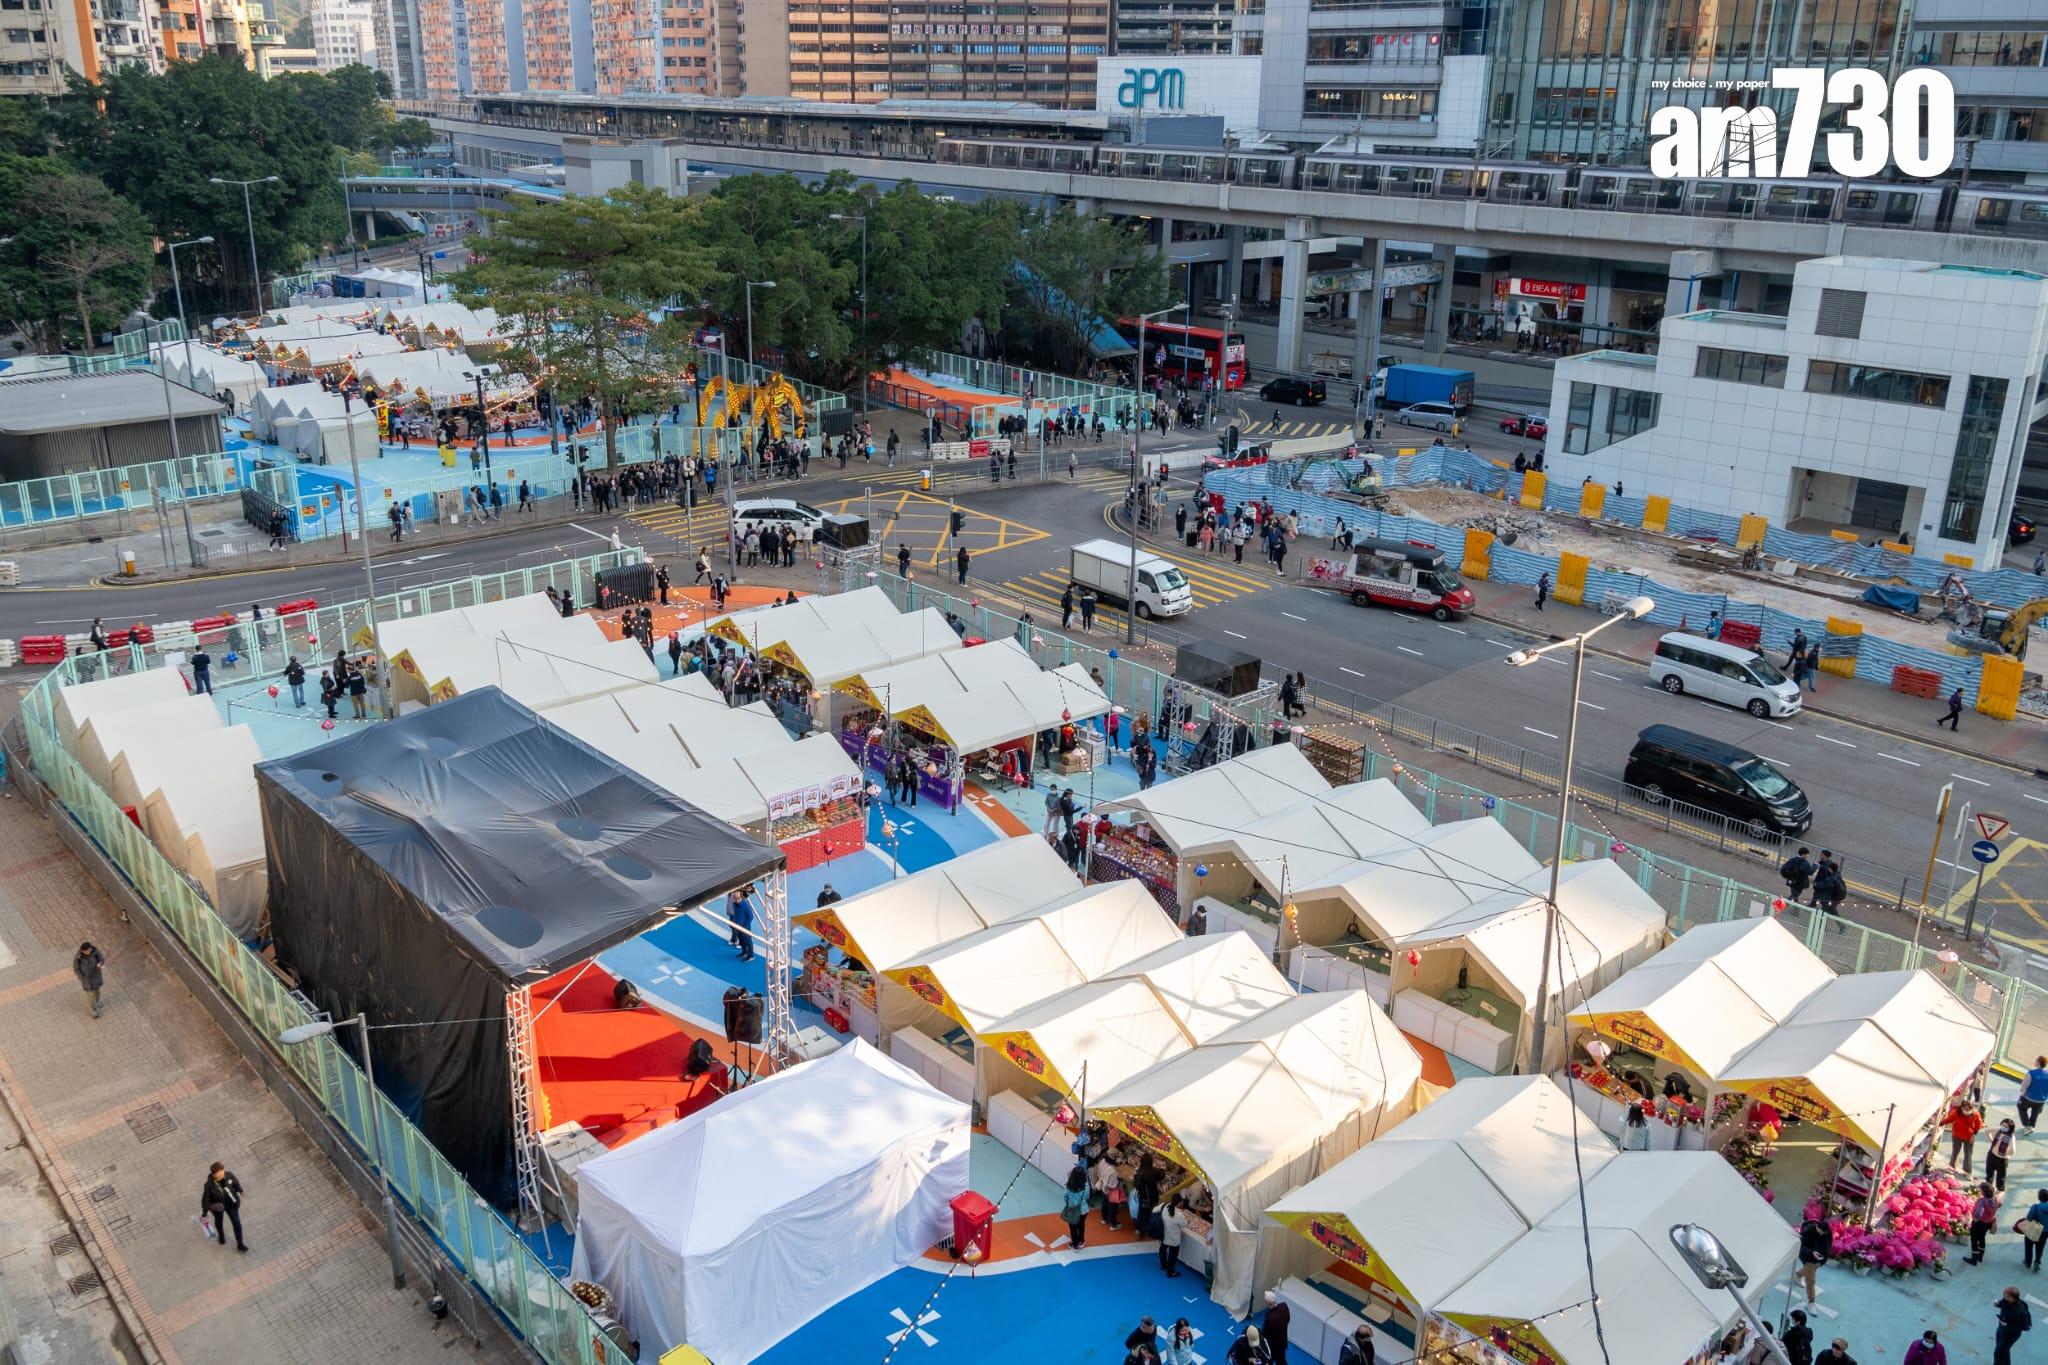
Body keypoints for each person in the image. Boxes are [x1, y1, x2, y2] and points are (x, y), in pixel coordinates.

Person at [201, 1162, 248, 1251]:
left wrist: (241, 1191)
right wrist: (204, 1213)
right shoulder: (208, 1185)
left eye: (222, 1172)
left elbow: (236, 1184)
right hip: (217, 1206)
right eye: (219, 1174)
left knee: (237, 1223)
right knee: (219, 1221)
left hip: (231, 1204)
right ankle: (221, 1236)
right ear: (214, 1174)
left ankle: (240, 1244)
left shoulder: (229, 1175)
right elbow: (206, 1199)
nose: (222, 1175)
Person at [1795, 1210, 1831, 1304]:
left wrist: (1822, 1261)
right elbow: (1800, 1246)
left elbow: (1828, 1247)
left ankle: (1798, 1275)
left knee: (1812, 1268)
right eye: (1820, 1232)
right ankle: (1811, 1302)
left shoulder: (1827, 1233)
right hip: (1806, 1254)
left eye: (1823, 1233)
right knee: (1811, 1280)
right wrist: (1811, 1253)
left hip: (1818, 1256)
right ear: (1816, 1227)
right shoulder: (1808, 1230)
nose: (1821, 1234)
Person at [1994, 1285, 2032, 1365]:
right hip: (2001, 1330)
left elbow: (2025, 1327)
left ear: (2012, 1298)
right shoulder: (2006, 1300)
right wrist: (1997, 1304)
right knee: (2004, 1351)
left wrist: (2007, 1325)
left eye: (2006, 1295)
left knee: (1998, 1353)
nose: (2003, 1297)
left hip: (2011, 1335)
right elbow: (2002, 1304)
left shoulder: (2020, 1311)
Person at [1950, 1099, 1986, 1175]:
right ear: (1962, 1108)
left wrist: (1974, 1134)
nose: (1967, 1110)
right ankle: (1952, 1167)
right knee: (1955, 1151)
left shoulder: (1976, 1114)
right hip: (1957, 1135)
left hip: (1969, 1137)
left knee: (1968, 1154)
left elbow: (1979, 1125)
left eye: (1968, 1109)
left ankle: (1967, 1171)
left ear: (1971, 1108)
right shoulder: (1957, 1112)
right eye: (1965, 1108)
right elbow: (1949, 1118)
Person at [72, 941, 105, 1019]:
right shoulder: (78, 957)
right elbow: (76, 968)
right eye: (86, 951)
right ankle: (93, 1008)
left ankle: (97, 1001)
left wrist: (100, 964)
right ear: (82, 950)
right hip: (87, 980)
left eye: (89, 950)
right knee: (91, 995)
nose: (88, 952)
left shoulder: (96, 952)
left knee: (97, 991)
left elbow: (101, 960)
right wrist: (82, 978)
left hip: (96, 976)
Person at [2019, 1188, 2048, 1272]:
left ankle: (2028, 1262)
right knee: (2040, 1248)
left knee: (2029, 1246)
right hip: (2045, 1232)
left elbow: (2029, 1218)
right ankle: (2037, 1263)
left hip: (2034, 1229)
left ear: (2039, 1197)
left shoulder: (2035, 1207)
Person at [1062, 1166, 1090, 1250]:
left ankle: (1075, 1245)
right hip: (1084, 1210)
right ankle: (1081, 1241)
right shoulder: (1086, 1186)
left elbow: (1065, 1197)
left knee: (1073, 1228)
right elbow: (1087, 1196)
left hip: (1072, 1210)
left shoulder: (1069, 1186)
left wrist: (1069, 1202)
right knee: (1081, 1225)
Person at [1260, 1290, 1291, 1362]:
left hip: (1272, 1347)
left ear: (1267, 1303)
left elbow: (1266, 1335)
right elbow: (1288, 1319)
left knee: (1268, 1361)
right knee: (1282, 1361)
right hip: (1282, 1342)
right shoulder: (1284, 1306)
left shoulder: (1269, 1318)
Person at [1157, 1194, 1184, 1276]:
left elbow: (1156, 1210)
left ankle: (1163, 1264)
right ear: (1180, 1203)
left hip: (1164, 1235)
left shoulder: (1164, 1206)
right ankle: (1170, 1271)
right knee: (1173, 1255)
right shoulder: (1179, 1214)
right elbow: (1184, 1225)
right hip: (1174, 1239)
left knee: (1162, 1249)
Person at [1988, 1118, 2018, 1192]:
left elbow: (2013, 1151)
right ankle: (1988, 1185)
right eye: (2003, 1125)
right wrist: (1991, 1141)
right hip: (1992, 1154)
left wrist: (2003, 1153)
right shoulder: (1998, 1130)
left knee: (2001, 1175)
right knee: (1989, 1171)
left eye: (2006, 1126)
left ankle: (2000, 1189)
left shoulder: (2011, 1137)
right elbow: (1987, 1131)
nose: (2003, 1127)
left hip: (2002, 1159)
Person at [2020, 1056, 2048, 1132]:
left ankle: (2027, 1125)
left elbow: (2025, 1085)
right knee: (2035, 1113)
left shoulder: (2031, 1073)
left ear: (2038, 1063)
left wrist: (2022, 1094)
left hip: (2029, 1098)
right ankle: (2031, 1126)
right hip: (2041, 1100)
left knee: (2021, 1107)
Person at [728, 886, 756, 962]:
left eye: (738, 898)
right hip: (738, 927)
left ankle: (751, 955)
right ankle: (744, 952)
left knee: (748, 941)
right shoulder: (734, 904)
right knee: (741, 940)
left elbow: (750, 916)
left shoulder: (744, 905)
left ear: (741, 897)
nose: (737, 900)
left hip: (745, 928)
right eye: (735, 898)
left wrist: (745, 926)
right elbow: (736, 915)